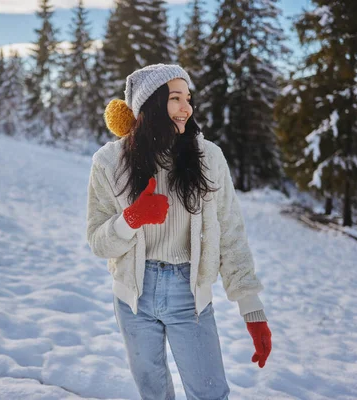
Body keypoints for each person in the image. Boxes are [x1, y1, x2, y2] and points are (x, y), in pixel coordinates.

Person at [86, 63, 271, 400]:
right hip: (133, 298)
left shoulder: (208, 157)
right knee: (154, 395)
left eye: (189, 98)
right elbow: (98, 241)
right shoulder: (109, 162)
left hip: (190, 296)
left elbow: (230, 234)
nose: (187, 108)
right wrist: (131, 218)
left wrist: (252, 309)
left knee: (210, 394)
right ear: (151, 104)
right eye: (175, 98)